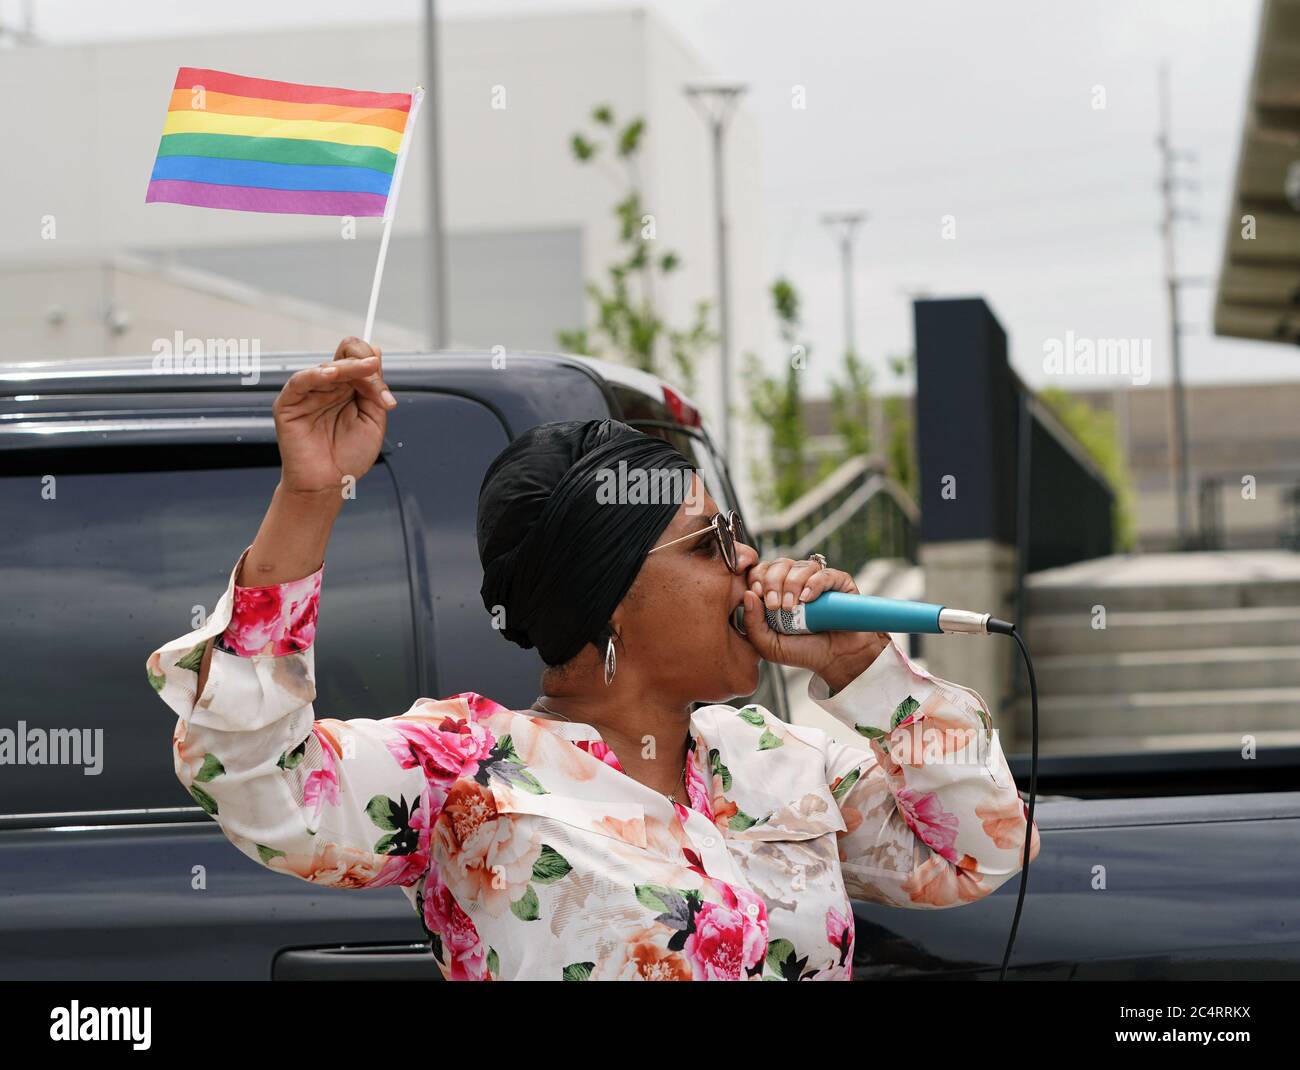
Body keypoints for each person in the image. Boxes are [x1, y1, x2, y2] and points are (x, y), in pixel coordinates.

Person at [146, 337, 1040, 981]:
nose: (748, 564)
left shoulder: (777, 757)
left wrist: (863, 671)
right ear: (606, 593)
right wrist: (310, 496)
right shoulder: (465, 773)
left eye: (736, 535)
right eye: (707, 545)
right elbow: (257, 776)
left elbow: (979, 851)